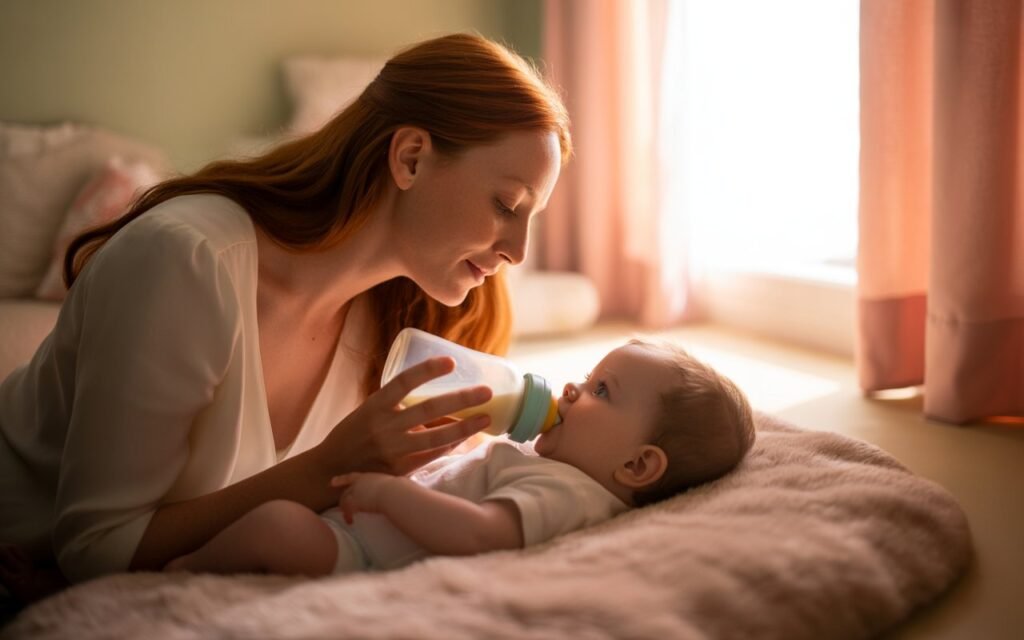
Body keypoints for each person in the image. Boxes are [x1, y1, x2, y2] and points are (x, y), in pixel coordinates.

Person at [0, 33, 571, 604]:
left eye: (530, 220)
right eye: (507, 205)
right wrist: (328, 467)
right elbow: (95, 546)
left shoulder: (400, 325)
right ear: (410, 158)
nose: (517, 252)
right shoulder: (187, 262)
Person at [164, 340, 757, 576]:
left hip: (362, 555)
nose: (573, 390)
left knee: (278, 526)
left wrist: (392, 493)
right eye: (588, 376)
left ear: (637, 467)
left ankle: (184, 573)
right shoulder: (548, 466)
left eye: (602, 392)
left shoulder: (574, 493)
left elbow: (483, 533)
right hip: (357, 525)